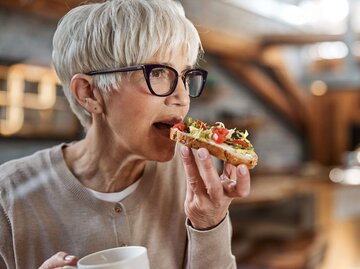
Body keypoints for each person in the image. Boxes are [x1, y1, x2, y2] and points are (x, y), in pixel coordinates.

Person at [0, 0, 251, 268]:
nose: (181, 98)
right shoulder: (8, 197)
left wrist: (209, 223)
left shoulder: (191, 177)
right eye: (158, 73)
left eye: (186, 76)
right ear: (89, 93)